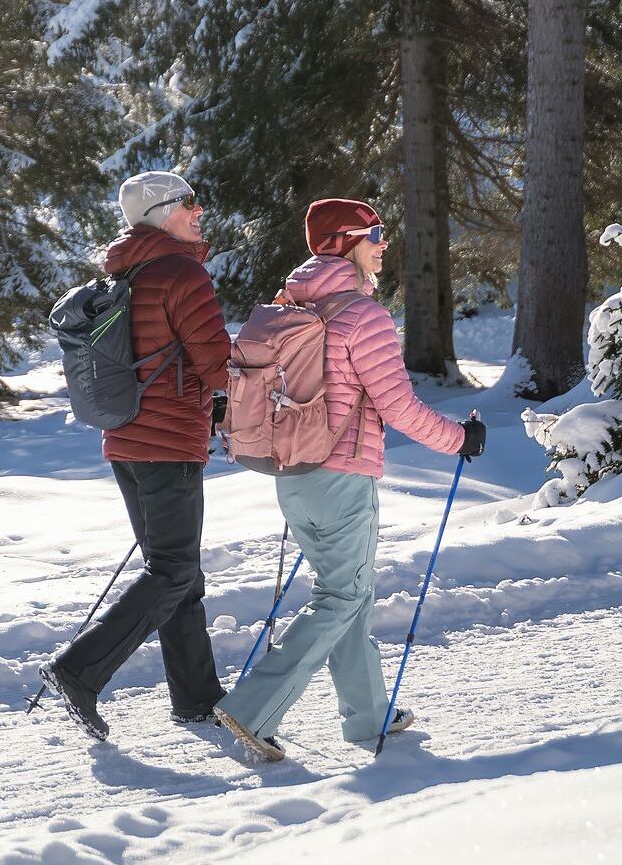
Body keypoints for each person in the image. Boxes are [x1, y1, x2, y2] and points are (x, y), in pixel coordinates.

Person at [213, 197, 486, 763]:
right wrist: (459, 439)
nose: (384, 244)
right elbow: (400, 407)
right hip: (341, 478)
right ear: (344, 243)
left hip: (294, 475)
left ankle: (367, 716)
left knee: (350, 593)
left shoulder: (290, 305)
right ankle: (253, 709)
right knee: (342, 596)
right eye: (374, 234)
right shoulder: (364, 316)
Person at [41, 171, 234, 740]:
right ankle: (79, 670)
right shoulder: (181, 273)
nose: (199, 211)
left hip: (125, 439)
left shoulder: (127, 272)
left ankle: (197, 696)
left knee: (176, 572)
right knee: (173, 570)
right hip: (168, 442)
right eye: (189, 202)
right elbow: (217, 364)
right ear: (161, 213)